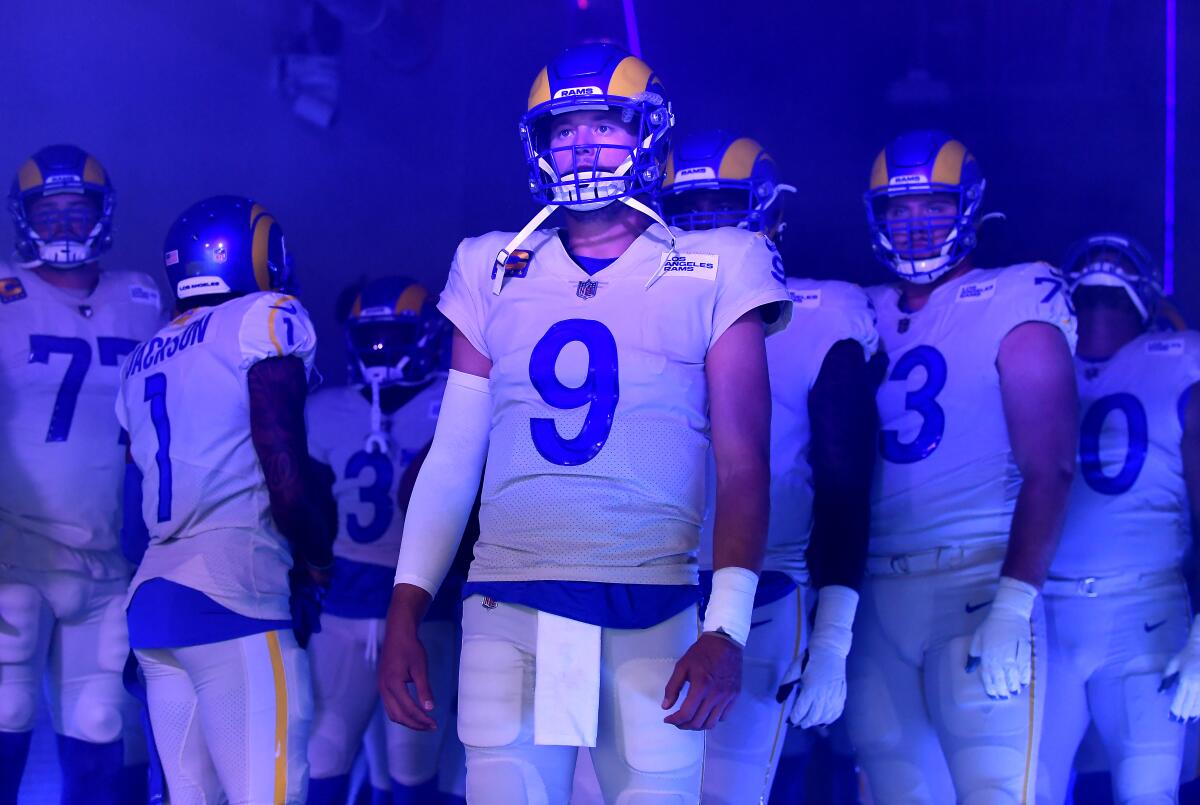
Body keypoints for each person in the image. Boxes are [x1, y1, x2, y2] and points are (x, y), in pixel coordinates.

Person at [379, 41, 791, 803]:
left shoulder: (719, 261)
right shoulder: (490, 264)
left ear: (648, 136)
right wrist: (406, 605)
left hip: (653, 603)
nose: (580, 145)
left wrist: (726, 625)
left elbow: (744, 462)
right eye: (562, 130)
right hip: (512, 602)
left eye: (603, 124)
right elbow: (454, 456)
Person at [843, 130, 1078, 802]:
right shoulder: (861, 308)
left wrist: (1014, 600)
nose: (915, 224)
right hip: (876, 596)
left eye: (934, 206)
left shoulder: (1015, 294)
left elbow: (1052, 465)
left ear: (969, 207)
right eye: (899, 209)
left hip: (976, 581)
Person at [657, 128, 878, 804]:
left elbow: (846, 483)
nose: (706, 226)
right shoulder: (630, 296)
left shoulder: (821, 311)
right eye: (688, 208)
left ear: (770, 212)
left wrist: (834, 635)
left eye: (724, 206)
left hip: (765, 587)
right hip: (640, 583)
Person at [116, 195, 331, 804]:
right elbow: (284, 471)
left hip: (154, 603)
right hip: (234, 593)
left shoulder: (141, 358)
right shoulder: (263, 316)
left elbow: (129, 514)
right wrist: (316, 558)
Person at [0, 144, 163, 804]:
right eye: (50, 211)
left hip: (106, 559)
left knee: (99, 721)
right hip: (13, 550)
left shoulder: (141, 298)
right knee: (6, 706)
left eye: (78, 210)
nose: (65, 225)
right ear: (24, 217)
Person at [1036, 233, 1200, 804]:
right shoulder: (1033, 358)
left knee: (1149, 792)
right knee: (1018, 791)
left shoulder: (1182, 362)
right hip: (1041, 611)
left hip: (1145, 610)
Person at [305, 275, 466, 804]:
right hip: (345, 600)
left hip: (428, 604)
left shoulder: (456, 400)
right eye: (369, 337)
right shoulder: (325, 409)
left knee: (412, 760)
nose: (380, 349)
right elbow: (309, 509)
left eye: (394, 337)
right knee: (325, 749)